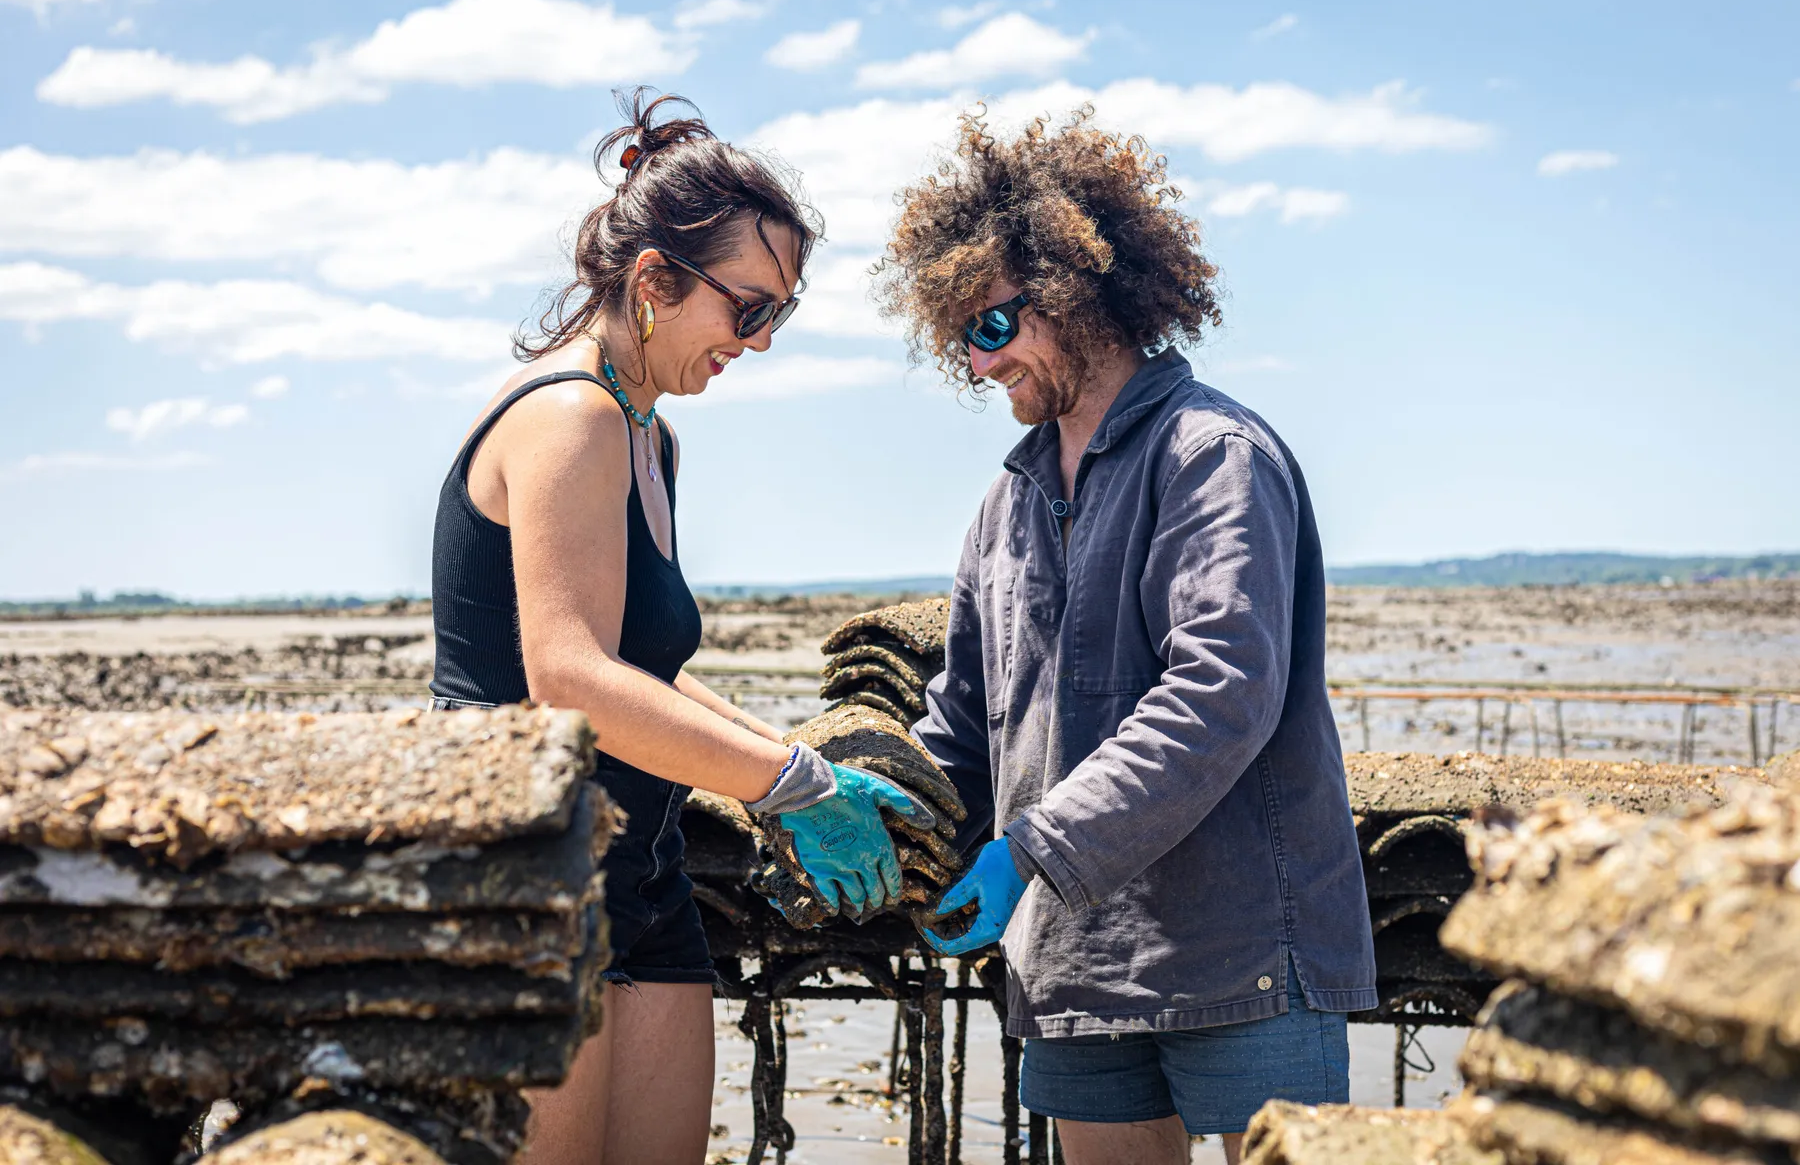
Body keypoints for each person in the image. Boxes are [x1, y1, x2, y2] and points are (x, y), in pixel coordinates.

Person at [428, 90, 933, 1165]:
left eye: (778, 317)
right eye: (746, 309)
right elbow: (567, 679)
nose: (756, 342)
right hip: (533, 880)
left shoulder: (650, 435)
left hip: (641, 876)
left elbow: (641, 668)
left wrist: (791, 766)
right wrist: (783, 782)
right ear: (655, 281)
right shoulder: (573, 417)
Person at [875, 109, 1377, 1165]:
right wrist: (896, 816)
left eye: (993, 329)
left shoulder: (1213, 459)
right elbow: (965, 720)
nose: (976, 366)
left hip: (1242, 946)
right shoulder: (1001, 507)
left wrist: (1036, 852)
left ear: (1075, 292)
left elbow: (1221, 694)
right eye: (959, 339)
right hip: (1071, 964)